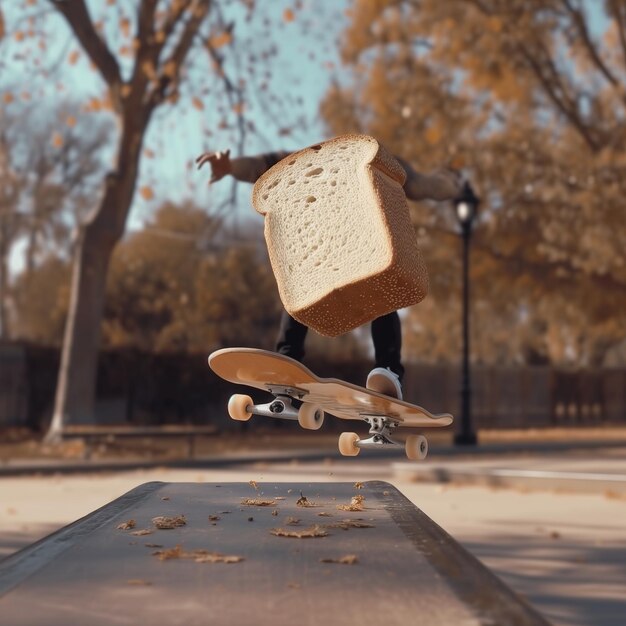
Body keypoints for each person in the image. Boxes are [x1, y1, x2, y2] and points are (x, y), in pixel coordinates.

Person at [196, 146, 464, 400]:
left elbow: (421, 185)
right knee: (299, 289)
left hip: (366, 244)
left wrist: (452, 186)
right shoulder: (303, 161)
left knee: (382, 290)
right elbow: (261, 166)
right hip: (325, 248)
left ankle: (390, 371)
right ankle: (288, 362)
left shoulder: (377, 159)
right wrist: (230, 166)